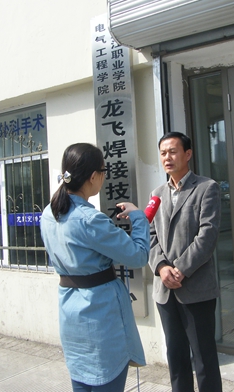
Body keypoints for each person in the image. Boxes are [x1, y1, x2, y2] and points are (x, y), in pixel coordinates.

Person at [40, 143, 150, 392]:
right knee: (107, 378)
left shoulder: (48, 213)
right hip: (101, 317)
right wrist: (138, 217)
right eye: (103, 171)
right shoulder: (90, 219)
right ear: (93, 176)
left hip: (70, 313)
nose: (104, 176)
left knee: (80, 381)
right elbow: (137, 256)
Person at [149, 131, 223, 392]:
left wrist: (179, 269)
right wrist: (161, 267)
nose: (167, 157)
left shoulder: (206, 187)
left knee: (204, 359)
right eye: (163, 153)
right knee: (176, 357)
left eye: (172, 151)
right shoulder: (157, 194)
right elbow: (150, 236)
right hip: (165, 291)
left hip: (196, 289)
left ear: (188, 154)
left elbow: (208, 236)